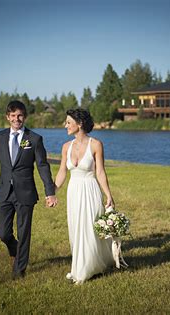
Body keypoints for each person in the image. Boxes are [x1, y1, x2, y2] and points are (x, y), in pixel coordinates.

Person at [0, 100, 57, 280]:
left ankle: (19, 269)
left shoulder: (34, 139)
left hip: (25, 193)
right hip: (4, 192)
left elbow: (42, 166)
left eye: (20, 115)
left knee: (24, 231)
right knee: (3, 233)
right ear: (8, 117)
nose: (17, 119)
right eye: (13, 116)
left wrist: (50, 192)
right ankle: (16, 250)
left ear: (25, 116)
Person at [55, 108, 115, 284]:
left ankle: (85, 270)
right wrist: (52, 191)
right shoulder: (66, 147)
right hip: (73, 192)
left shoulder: (96, 145)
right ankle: (82, 265)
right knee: (76, 230)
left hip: (90, 190)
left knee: (89, 230)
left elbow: (100, 172)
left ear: (79, 124)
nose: (65, 125)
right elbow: (61, 173)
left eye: (68, 122)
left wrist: (108, 195)